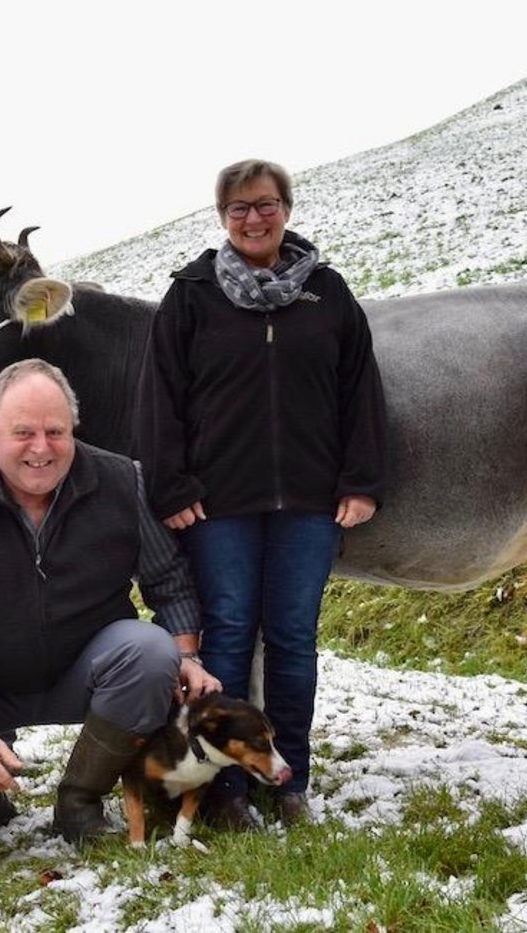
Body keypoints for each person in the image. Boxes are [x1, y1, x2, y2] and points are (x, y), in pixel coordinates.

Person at [0, 359, 220, 870]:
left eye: (56, 432)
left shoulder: (123, 481)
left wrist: (187, 653)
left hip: (86, 674)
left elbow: (168, 579)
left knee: (150, 650)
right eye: (23, 432)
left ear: (75, 429)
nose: (41, 448)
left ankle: (79, 801)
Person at [135, 158, 388, 830]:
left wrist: (361, 481)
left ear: (287, 209)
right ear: (223, 217)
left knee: (293, 640)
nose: (254, 217)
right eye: (240, 208)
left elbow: (360, 392)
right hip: (219, 506)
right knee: (226, 637)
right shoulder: (190, 295)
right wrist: (172, 485)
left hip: (308, 501)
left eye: (266, 204)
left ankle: (291, 780)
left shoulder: (328, 293)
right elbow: (159, 398)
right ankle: (225, 789)